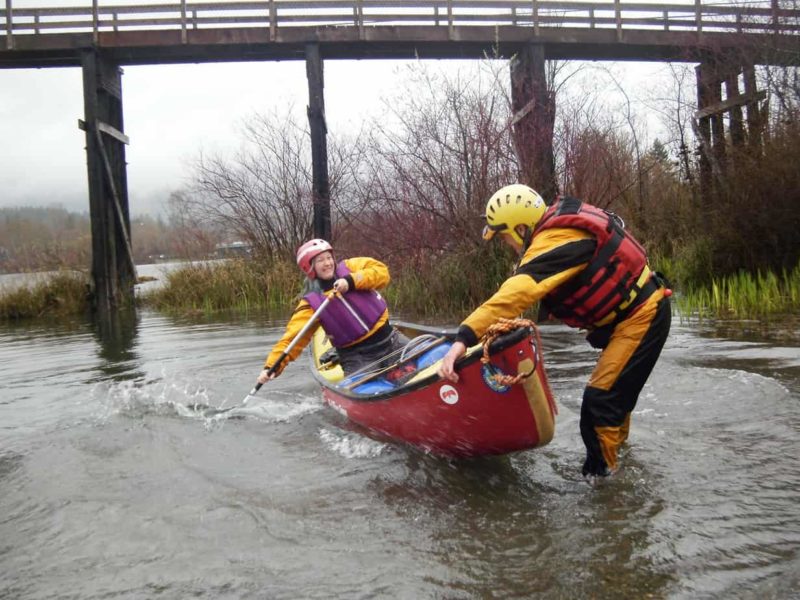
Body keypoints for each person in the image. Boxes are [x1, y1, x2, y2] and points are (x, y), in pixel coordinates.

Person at [437, 184, 671, 480]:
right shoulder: (552, 237)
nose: (507, 244)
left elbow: (516, 293)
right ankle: (619, 469)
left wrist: (464, 339)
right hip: (634, 316)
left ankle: (607, 494)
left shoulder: (556, 242)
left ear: (521, 228)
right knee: (612, 405)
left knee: (599, 406)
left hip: (642, 316)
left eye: (505, 236)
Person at [258, 239, 409, 384]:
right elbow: (291, 339)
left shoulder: (351, 267)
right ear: (309, 267)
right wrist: (271, 367)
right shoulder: (310, 304)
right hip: (359, 358)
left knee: (428, 363)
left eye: (329, 258)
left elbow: (381, 272)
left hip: (391, 341)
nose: (328, 263)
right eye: (320, 260)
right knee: (372, 390)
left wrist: (351, 281)